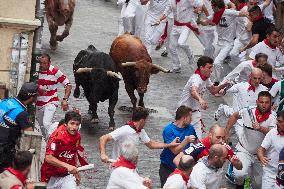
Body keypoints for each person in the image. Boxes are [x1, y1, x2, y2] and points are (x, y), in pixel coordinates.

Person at [225, 91, 276, 188]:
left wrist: (261, 128)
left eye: (267, 102)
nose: (264, 105)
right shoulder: (248, 111)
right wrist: (226, 131)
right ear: (257, 102)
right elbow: (235, 115)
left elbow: (272, 133)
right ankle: (239, 185)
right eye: (261, 102)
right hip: (245, 150)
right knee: (239, 174)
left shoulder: (273, 117)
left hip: (261, 155)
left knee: (258, 184)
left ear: (270, 103)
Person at [99, 107, 179, 163]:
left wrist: (169, 145)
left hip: (130, 165)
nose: (146, 123)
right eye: (145, 121)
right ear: (141, 121)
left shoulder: (141, 131)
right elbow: (103, 138)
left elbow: (151, 144)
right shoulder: (124, 130)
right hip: (118, 166)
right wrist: (103, 154)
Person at [178, 56, 229, 139]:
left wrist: (223, 85)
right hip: (185, 114)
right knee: (183, 140)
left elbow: (213, 91)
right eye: (209, 68)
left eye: (211, 67)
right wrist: (201, 100)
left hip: (195, 114)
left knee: (198, 141)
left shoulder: (206, 79)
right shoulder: (196, 78)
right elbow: (193, 91)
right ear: (201, 67)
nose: (211, 70)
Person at [40, 111, 88, 188]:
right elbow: (48, 158)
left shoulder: (78, 136)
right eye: (72, 123)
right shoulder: (57, 137)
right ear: (65, 124)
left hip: (66, 175)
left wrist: (75, 172)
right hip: (50, 174)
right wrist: (67, 166)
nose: (75, 127)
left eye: (77, 124)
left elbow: (73, 153)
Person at [156, 0, 204, 73]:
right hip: (175, 26)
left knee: (181, 43)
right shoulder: (171, 1)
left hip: (186, 25)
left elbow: (200, 3)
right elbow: (166, 12)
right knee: (171, 47)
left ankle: (190, 55)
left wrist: (197, 9)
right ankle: (177, 66)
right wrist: (159, 20)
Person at [0, 82, 37, 172]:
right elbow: (30, 133)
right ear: (32, 98)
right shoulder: (21, 113)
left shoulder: (6, 101)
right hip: (4, 151)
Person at [173, 125, 242, 170]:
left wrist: (236, 163)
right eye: (218, 137)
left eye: (223, 138)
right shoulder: (199, 146)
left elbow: (240, 168)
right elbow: (176, 159)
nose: (221, 141)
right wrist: (189, 174)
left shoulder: (225, 147)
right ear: (210, 135)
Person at [36, 53, 72, 141]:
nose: (42, 65)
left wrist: (65, 100)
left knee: (46, 123)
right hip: (38, 103)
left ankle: (53, 141)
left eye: (45, 63)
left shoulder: (55, 71)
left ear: (49, 63)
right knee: (40, 125)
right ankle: (46, 140)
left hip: (51, 101)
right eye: (41, 63)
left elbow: (68, 84)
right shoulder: (35, 71)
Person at [159, 106, 197, 187]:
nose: (192, 119)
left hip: (184, 168)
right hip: (168, 168)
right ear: (184, 118)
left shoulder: (190, 128)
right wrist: (186, 141)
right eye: (190, 116)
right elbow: (175, 151)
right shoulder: (168, 130)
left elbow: (197, 143)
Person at [257, 110, 284, 189]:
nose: (276, 123)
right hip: (269, 174)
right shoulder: (272, 132)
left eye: (280, 121)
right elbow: (260, 149)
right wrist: (261, 157)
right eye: (277, 120)